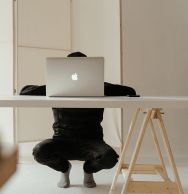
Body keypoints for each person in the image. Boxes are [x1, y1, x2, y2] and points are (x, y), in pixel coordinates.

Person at [19, 51, 136, 188]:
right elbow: (24, 91)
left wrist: (101, 86)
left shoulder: (100, 87)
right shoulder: (56, 87)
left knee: (110, 158)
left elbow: (130, 91)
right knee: (39, 151)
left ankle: (88, 170)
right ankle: (64, 168)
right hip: (62, 141)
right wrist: (53, 85)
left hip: (92, 141)